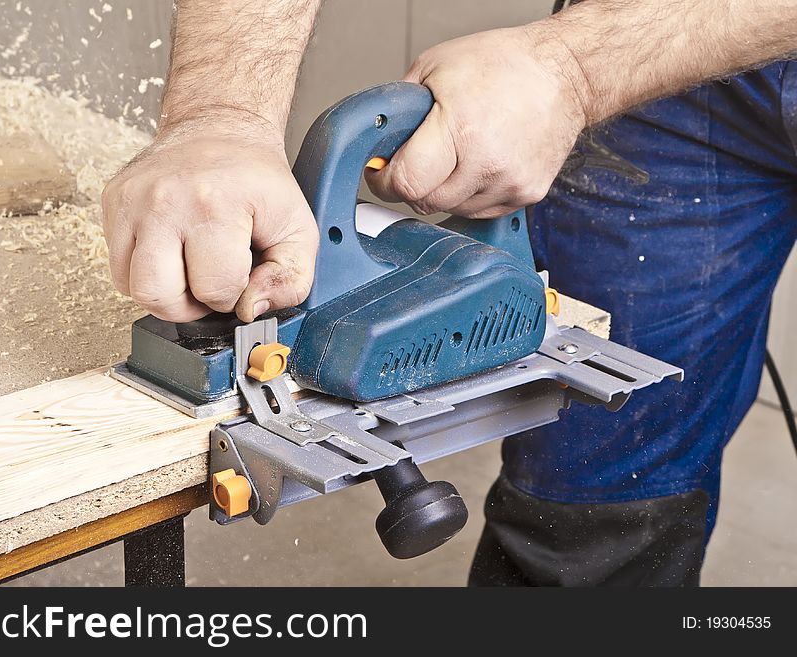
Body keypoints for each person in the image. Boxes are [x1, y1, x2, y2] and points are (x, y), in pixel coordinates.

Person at [102, 0, 797, 585]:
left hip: (637, 41)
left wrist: (576, 69)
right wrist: (219, 112)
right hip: (657, 33)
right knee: (595, 500)